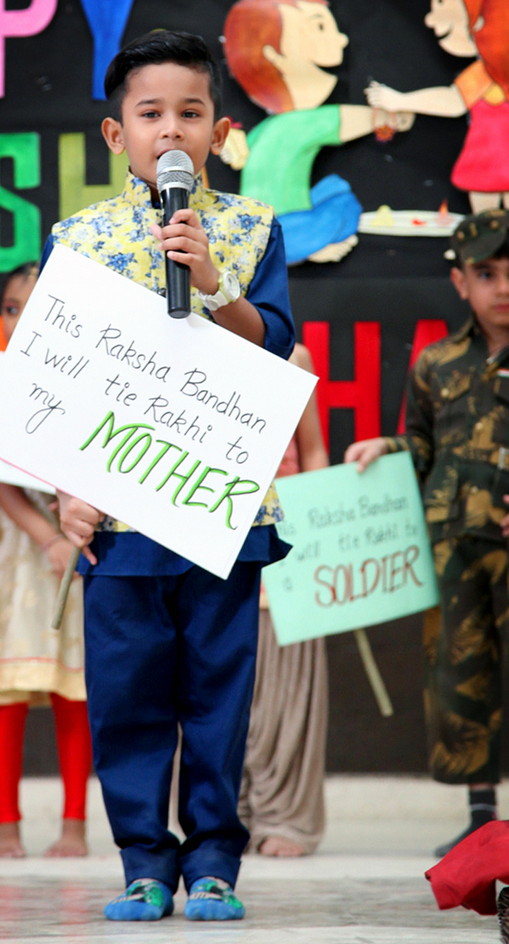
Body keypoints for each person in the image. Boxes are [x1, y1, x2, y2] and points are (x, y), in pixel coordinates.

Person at [40, 30, 295, 921]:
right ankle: (143, 860)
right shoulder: (77, 239)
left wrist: (217, 287)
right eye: (150, 114)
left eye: (190, 112)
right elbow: (57, 378)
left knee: (218, 693)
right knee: (128, 696)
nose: (171, 129)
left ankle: (216, 861)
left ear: (219, 130)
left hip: (220, 504)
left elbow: (276, 342)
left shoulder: (252, 227)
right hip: (119, 514)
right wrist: (68, 489)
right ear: (117, 135)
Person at [345, 208, 509, 858]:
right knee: (460, 679)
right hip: (453, 549)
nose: (501, 286)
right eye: (485, 272)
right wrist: (385, 448)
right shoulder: (436, 365)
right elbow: (420, 442)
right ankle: (480, 819)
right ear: (459, 283)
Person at [0, 263, 92, 859]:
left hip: (79, 548)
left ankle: (75, 824)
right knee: (9, 682)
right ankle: (6, 823)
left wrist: (70, 532)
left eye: (35, 307)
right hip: (16, 551)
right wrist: (46, 534)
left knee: (72, 688)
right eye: (9, 308)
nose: (20, 320)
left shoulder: (87, 381)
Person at [220, 0, 413, 264]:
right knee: (343, 201)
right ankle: (307, 245)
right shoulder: (302, 123)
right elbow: (361, 119)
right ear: (274, 54)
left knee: (333, 188)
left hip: (259, 228)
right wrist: (393, 116)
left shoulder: (267, 129)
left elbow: (241, 156)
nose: (343, 40)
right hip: (283, 229)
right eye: (319, 27)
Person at [239, 344, 329, 857]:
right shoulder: (179, 340)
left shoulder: (293, 357)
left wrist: (318, 534)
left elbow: (311, 448)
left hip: (283, 538)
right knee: (216, 685)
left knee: (284, 691)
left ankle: (286, 815)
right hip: (207, 536)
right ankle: (226, 814)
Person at [367, 0, 509, 214]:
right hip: (487, 166)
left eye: (442, 2)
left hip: (490, 163)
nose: (431, 20)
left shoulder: (487, 72)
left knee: (487, 225)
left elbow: (452, 101)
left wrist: (399, 100)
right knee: (487, 228)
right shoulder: (486, 70)